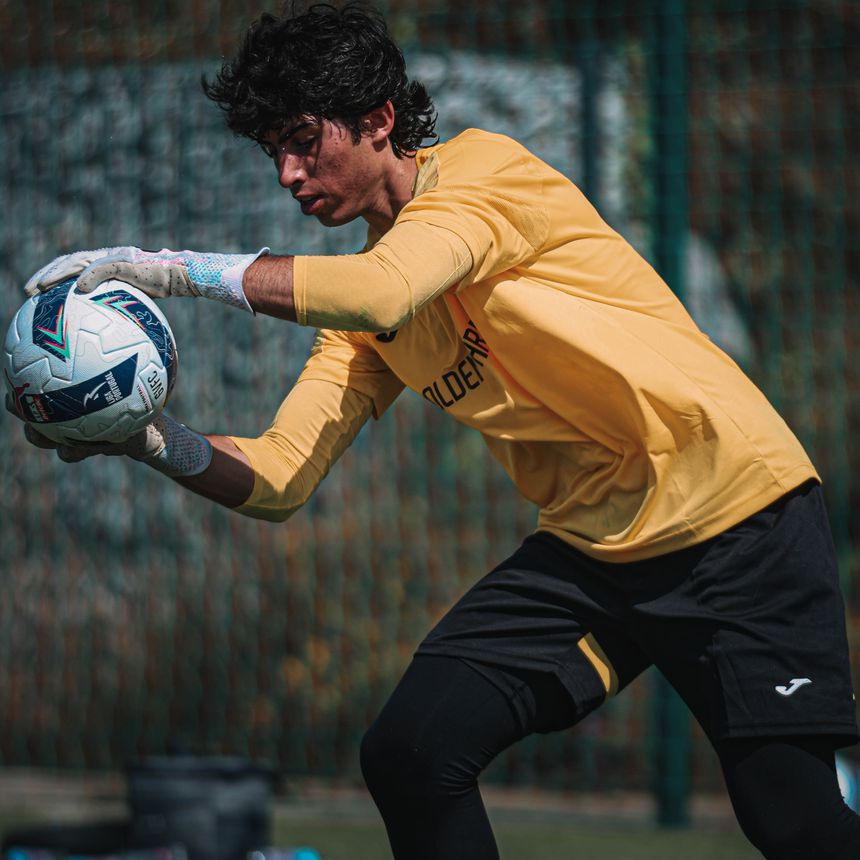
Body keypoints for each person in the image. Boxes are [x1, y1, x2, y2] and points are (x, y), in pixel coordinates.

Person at [12, 4, 860, 858]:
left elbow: (384, 289)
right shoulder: (359, 319)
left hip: (738, 514)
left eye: (304, 140)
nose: (287, 173)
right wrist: (146, 439)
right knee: (411, 752)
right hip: (599, 550)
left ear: (379, 120)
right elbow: (278, 479)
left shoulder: (485, 174)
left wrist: (163, 269)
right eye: (274, 149)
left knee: (793, 821)